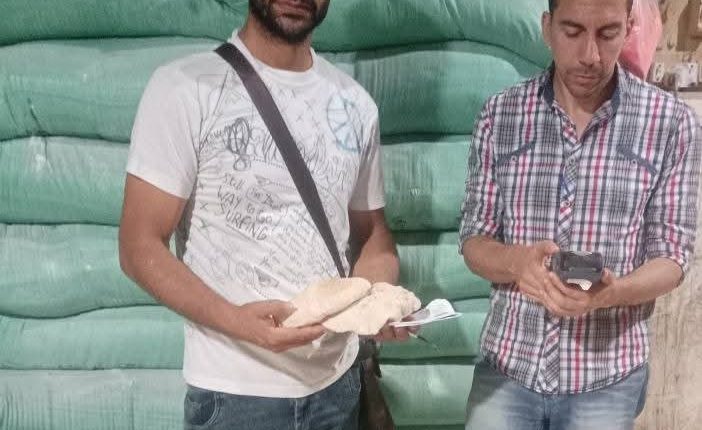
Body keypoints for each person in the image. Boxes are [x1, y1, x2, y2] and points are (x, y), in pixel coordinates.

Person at [119, 1, 410, 429]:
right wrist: (239, 323)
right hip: (235, 395)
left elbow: (373, 235)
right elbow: (138, 244)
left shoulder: (355, 105)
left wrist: (378, 301)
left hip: (337, 387)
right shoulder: (185, 88)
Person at [459, 0, 701, 428]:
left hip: (606, 375)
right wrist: (518, 263)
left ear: (629, 27)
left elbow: (672, 258)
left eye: (607, 34)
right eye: (572, 32)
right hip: (510, 364)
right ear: (547, 28)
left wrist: (611, 293)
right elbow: (474, 241)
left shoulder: (670, 124)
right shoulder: (501, 115)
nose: (590, 55)